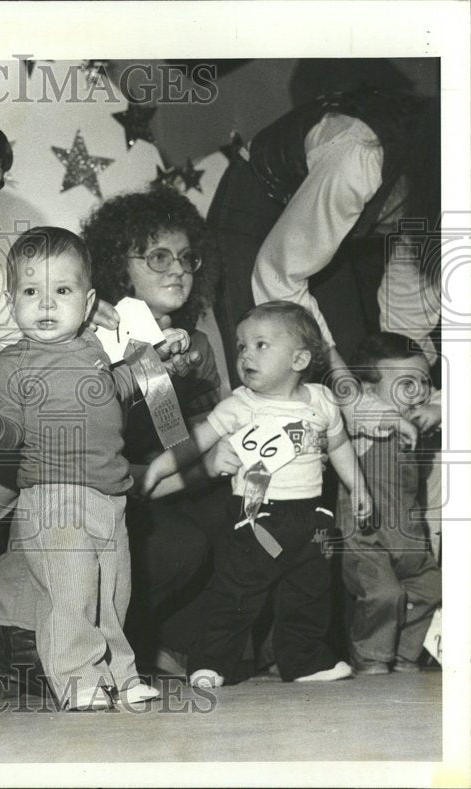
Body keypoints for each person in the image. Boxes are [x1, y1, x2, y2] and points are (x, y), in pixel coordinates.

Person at [0, 227, 161, 710]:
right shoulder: (11, 364)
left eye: (61, 291)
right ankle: (75, 679)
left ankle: (120, 677)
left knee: (112, 594)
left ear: (86, 304)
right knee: (71, 594)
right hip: (53, 494)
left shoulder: (94, 350)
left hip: (110, 494)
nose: (45, 305)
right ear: (10, 301)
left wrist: (157, 363)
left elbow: (118, 389)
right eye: (30, 292)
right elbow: (10, 438)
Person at [144, 301, 372, 687]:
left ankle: (304, 662)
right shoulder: (240, 405)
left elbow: (339, 447)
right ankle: (210, 662)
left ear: (299, 359)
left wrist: (359, 486)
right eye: (241, 346)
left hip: (312, 516)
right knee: (236, 592)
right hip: (255, 515)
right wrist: (155, 470)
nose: (246, 354)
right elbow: (193, 444)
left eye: (260, 345)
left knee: (309, 593)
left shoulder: (321, 400)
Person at [81, 187, 229, 673]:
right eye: (158, 256)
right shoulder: (95, 336)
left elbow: (204, 430)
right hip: (106, 486)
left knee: (243, 515)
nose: (178, 269)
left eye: (187, 258)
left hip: (167, 477)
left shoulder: (199, 344)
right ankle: (107, 648)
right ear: (115, 264)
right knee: (178, 543)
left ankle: (175, 648)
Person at [207, 88, 440, 384]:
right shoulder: (361, 155)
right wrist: (344, 388)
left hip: (320, 235)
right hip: (255, 212)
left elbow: (409, 307)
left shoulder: (441, 189)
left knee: (355, 360)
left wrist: (411, 382)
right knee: (273, 375)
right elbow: (278, 274)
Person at [340, 332, 441, 675]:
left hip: (408, 536)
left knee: (433, 588)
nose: (419, 393)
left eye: (424, 383)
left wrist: (438, 409)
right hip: (366, 539)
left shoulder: (416, 425)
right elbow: (352, 404)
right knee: (383, 594)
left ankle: (403, 656)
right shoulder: (363, 424)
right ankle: (371, 659)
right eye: (406, 384)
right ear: (369, 391)